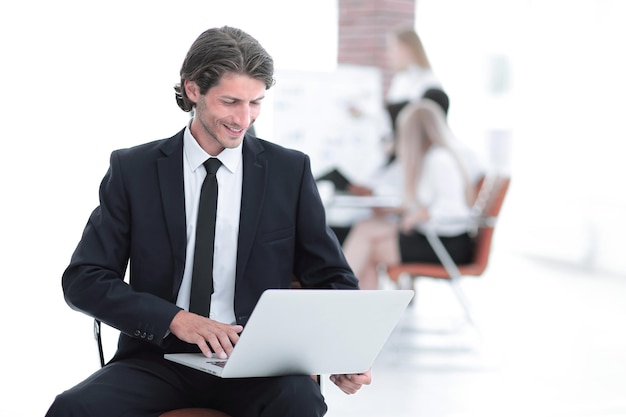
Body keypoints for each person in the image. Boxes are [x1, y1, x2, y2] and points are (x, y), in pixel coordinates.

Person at [45, 26, 370, 417]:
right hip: (157, 359)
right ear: (194, 90)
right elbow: (84, 279)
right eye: (231, 101)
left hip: (260, 365)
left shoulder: (289, 171)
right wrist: (175, 320)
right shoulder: (134, 170)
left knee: (298, 403)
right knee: (73, 409)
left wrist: (348, 353)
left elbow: (333, 279)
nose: (243, 118)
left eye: (255, 103)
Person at [342, 100, 474, 290]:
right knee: (365, 229)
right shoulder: (433, 158)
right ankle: (348, 299)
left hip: (448, 245)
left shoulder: (439, 160)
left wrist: (418, 215)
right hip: (435, 237)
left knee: (367, 245)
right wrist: (403, 210)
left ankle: (339, 293)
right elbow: (426, 201)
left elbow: (454, 210)